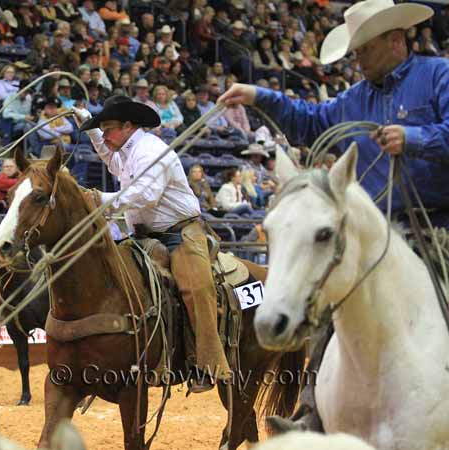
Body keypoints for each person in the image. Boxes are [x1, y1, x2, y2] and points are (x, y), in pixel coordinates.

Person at [218, 0, 449, 433]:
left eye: (363, 49)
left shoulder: (439, 75)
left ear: (395, 40)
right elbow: (310, 121)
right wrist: (258, 95)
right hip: (370, 231)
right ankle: (313, 409)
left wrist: (415, 137)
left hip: (439, 224)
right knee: (332, 301)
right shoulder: (354, 98)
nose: (356, 59)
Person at [74, 95, 231, 392]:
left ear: (128, 125)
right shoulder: (127, 149)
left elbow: (146, 195)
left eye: (108, 128)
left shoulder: (150, 151)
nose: (105, 135)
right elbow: (112, 161)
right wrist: (92, 130)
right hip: (146, 236)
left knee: (195, 288)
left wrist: (98, 199)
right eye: (103, 130)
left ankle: (209, 364)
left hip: (179, 234)